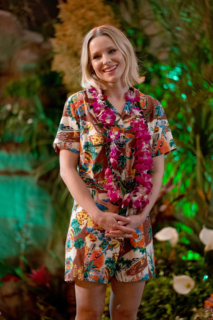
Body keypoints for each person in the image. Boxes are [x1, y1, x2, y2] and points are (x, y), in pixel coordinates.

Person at [53, 25, 177, 320]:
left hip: (135, 222)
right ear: (90, 64)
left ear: (125, 52)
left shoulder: (151, 108)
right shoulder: (78, 105)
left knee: (125, 313)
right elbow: (67, 169)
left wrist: (140, 216)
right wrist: (98, 215)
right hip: (90, 221)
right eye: (96, 56)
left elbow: (157, 171)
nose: (105, 60)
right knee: (88, 312)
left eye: (111, 50)